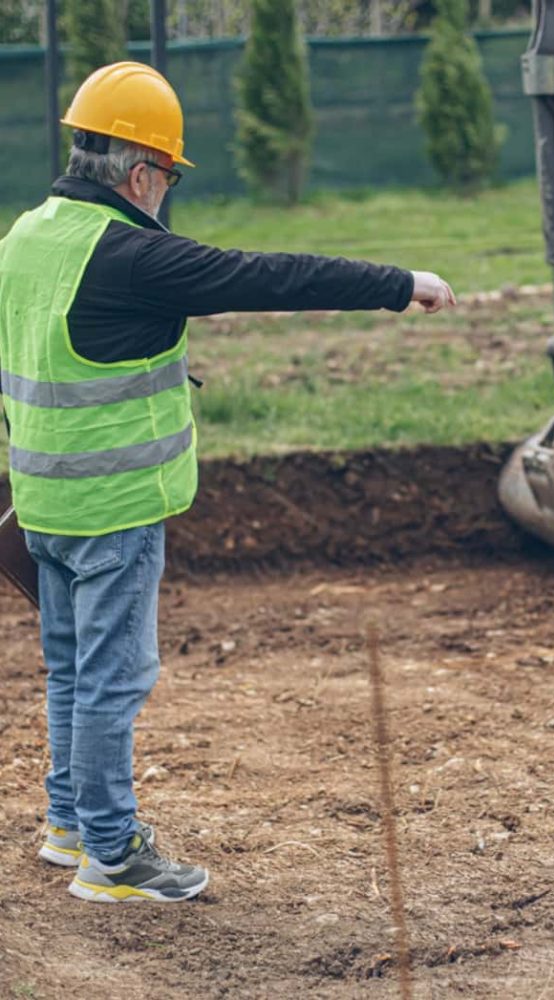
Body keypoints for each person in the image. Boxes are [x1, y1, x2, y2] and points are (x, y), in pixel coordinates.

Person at [0, 61, 455, 904]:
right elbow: (272, 276)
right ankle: (112, 854)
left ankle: (69, 825)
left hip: (41, 503)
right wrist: (400, 285)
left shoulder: (27, 235)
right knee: (112, 678)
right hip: (114, 509)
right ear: (142, 172)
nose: (165, 192)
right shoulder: (133, 254)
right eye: (167, 176)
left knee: (69, 668)